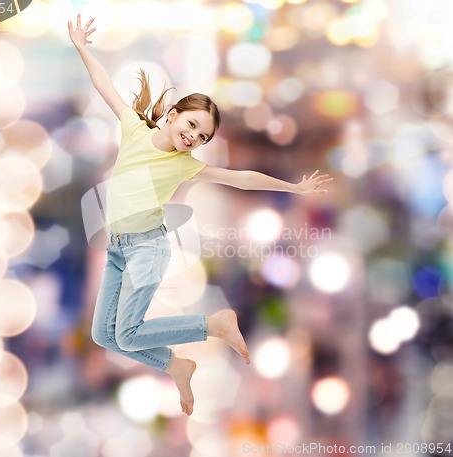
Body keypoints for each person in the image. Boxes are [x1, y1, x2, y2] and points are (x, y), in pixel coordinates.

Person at [68, 14, 332, 416]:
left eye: (203, 136)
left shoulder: (185, 164)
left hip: (147, 250)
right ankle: (176, 365)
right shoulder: (134, 130)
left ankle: (215, 325)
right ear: (172, 115)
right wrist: (83, 48)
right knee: (105, 335)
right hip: (118, 249)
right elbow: (104, 84)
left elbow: (241, 179)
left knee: (129, 331)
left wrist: (293, 188)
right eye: (192, 125)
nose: (193, 137)